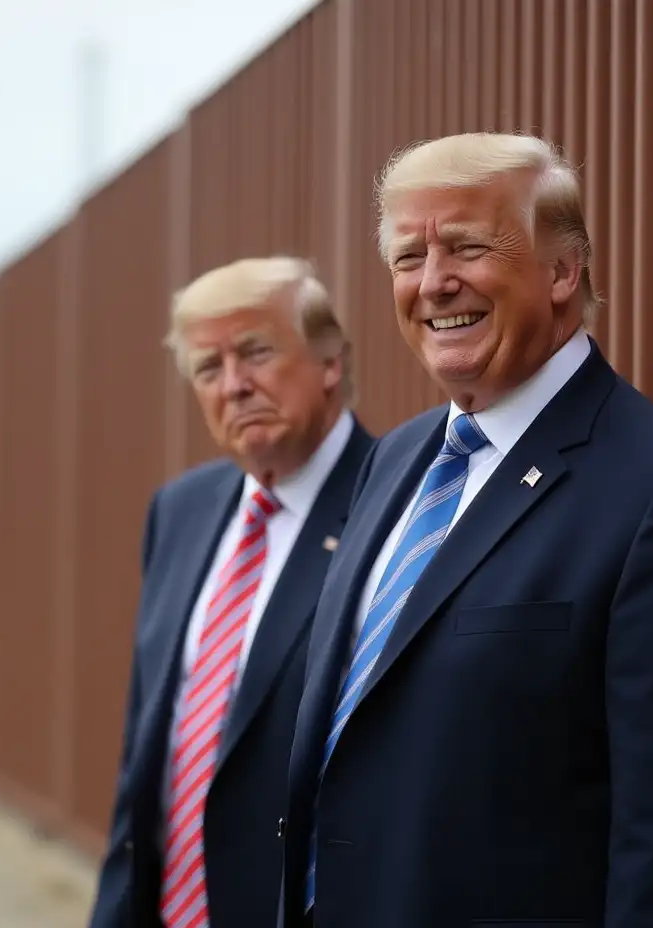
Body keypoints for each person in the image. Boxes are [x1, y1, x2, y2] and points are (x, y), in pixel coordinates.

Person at [279, 133, 653, 927]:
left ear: (562, 270)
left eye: (469, 247)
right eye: (409, 258)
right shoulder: (396, 460)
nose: (435, 283)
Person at [88, 256, 374, 928]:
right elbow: (147, 756)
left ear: (330, 360)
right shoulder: (180, 511)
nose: (235, 386)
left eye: (257, 352)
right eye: (209, 369)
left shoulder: (392, 504)